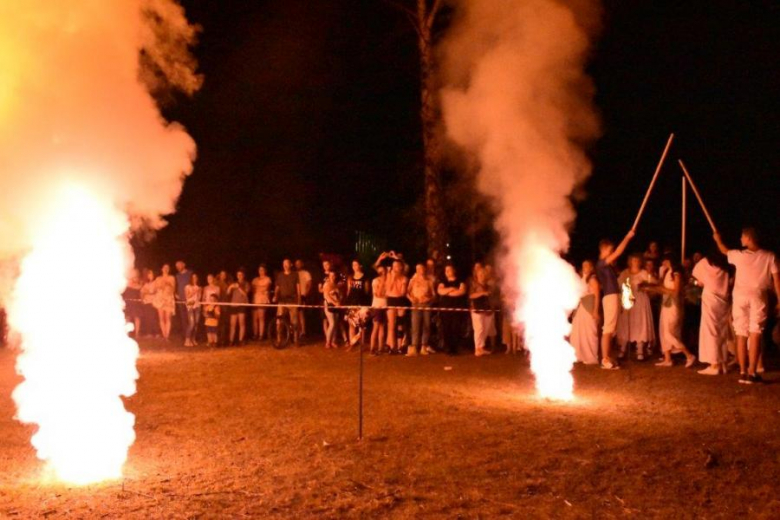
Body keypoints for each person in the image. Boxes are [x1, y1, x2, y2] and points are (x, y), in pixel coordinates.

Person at [714, 227, 780, 384]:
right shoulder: (769, 256)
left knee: (741, 333)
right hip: (758, 296)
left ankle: (743, 371)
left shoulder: (740, 255)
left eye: (742, 237)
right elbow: (777, 280)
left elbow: (724, 251)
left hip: (741, 296)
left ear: (749, 238)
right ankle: (751, 372)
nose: (740, 239)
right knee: (755, 332)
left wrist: (718, 240)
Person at [646, 255, 697, 368]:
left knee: (669, 333)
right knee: (663, 331)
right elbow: (663, 289)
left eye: (664, 260)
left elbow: (676, 291)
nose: (663, 262)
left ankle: (689, 355)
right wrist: (651, 288)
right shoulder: (667, 272)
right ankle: (667, 358)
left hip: (673, 305)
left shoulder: (676, 273)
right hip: (666, 305)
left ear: (669, 260)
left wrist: (658, 289)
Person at [596, 230, 635, 369]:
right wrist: (627, 237)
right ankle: (605, 359)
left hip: (613, 296)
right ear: (605, 249)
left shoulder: (607, 265)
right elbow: (619, 252)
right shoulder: (601, 263)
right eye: (610, 250)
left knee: (611, 329)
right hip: (610, 297)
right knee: (608, 328)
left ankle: (607, 357)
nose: (612, 253)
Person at [691, 250, 731, 375]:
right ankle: (723, 362)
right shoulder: (726, 264)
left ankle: (714, 365)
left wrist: (695, 283)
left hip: (711, 300)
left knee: (711, 330)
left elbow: (698, 279)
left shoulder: (705, 263)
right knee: (722, 330)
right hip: (723, 300)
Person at [616, 253, 656, 360]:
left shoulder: (643, 273)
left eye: (637, 260)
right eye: (633, 260)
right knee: (626, 323)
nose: (635, 262)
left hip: (640, 301)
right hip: (628, 299)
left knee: (640, 323)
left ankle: (640, 350)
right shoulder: (625, 273)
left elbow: (653, 283)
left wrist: (646, 286)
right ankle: (623, 349)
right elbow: (618, 285)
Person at [570, 259, 600, 365]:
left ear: (591, 267)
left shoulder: (592, 279)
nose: (585, 267)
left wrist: (596, 310)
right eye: (583, 265)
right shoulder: (582, 278)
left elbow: (597, 295)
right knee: (577, 331)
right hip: (581, 307)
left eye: (587, 265)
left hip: (589, 307)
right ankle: (578, 355)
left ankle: (590, 356)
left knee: (589, 331)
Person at [379, 253, 408, 354]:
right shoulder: (389, 276)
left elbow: (402, 292)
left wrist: (397, 280)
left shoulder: (404, 278)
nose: (396, 268)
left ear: (401, 267)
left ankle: (400, 346)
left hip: (400, 301)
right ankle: (392, 346)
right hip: (391, 300)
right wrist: (393, 278)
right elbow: (388, 289)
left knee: (400, 324)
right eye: (394, 266)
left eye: (397, 266)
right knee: (391, 324)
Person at [437, 264, 467, 355]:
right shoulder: (443, 282)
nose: (447, 272)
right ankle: (448, 348)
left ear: (454, 270)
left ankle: (455, 348)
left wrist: (448, 292)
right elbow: (440, 291)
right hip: (445, 309)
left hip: (457, 309)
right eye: (446, 270)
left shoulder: (461, 281)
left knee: (456, 328)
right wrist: (452, 288)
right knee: (446, 328)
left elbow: (461, 292)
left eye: (449, 270)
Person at [407, 263, 435, 356]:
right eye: (418, 268)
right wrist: (411, 299)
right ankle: (414, 346)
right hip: (415, 304)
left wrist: (429, 298)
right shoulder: (413, 280)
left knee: (426, 325)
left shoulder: (429, 281)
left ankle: (424, 346)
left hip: (426, 305)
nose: (420, 270)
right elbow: (407, 292)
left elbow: (434, 294)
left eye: (422, 268)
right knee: (415, 325)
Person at [469, 264, 495, 357]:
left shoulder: (488, 286)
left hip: (487, 311)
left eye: (483, 275)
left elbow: (492, 298)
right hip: (477, 310)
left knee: (485, 330)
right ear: (477, 275)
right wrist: (482, 293)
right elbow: (471, 296)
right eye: (480, 275)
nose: (482, 276)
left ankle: (481, 347)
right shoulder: (474, 285)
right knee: (479, 329)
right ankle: (477, 348)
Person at [344, 260, 371, 348]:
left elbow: (367, 291)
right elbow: (348, 291)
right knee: (351, 325)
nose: (354, 266)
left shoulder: (365, 277)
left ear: (360, 265)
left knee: (362, 325)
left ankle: (362, 344)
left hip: (362, 303)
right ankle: (352, 343)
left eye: (356, 264)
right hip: (352, 303)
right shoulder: (350, 277)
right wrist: (347, 303)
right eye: (353, 265)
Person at [274, 259, 301, 345]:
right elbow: (277, 287)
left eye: (286, 263)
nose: (285, 265)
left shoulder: (295, 274)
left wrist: (299, 300)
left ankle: (296, 340)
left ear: (290, 265)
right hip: (282, 301)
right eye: (283, 264)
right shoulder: (280, 275)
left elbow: (298, 288)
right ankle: (279, 340)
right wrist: (275, 296)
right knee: (279, 322)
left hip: (292, 301)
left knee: (295, 322)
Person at [227, 270, 250, 345]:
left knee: (241, 323)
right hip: (233, 305)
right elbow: (228, 293)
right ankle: (231, 340)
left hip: (242, 305)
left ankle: (241, 340)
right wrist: (230, 287)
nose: (239, 276)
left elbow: (245, 294)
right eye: (238, 275)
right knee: (232, 324)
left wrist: (239, 287)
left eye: (241, 274)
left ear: (243, 275)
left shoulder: (246, 283)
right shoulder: (234, 283)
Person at [154, 264, 176, 341]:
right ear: (162, 269)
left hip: (168, 299)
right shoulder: (158, 278)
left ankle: (167, 336)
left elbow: (173, 289)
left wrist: (168, 284)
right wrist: (161, 286)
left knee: (168, 318)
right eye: (164, 268)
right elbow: (156, 288)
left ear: (169, 269)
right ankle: (164, 335)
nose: (166, 269)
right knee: (161, 318)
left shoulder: (171, 278)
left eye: (167, 268)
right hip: (160, 299)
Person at [370, 265, 388, 355]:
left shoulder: (388, 280)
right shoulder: (375, 281)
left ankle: (381, 348)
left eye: (384, 271)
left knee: (382, 327)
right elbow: (377, 294)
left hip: (385, 306)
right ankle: (372, 348)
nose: (383, 273)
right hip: (377, 306)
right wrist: (382, 284)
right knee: (376, 327)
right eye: (381, 272)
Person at [251, 265, 272, 341]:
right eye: (259, 270)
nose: (261, 271)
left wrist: (259, 288)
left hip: (262, 299)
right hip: (255, 299)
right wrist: (261, 288)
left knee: (261, 317)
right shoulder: (255, 279)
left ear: (265, 271)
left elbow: (266, 288)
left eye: (262, 270)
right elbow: (253, 290)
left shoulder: (267, 279)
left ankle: (261, 335)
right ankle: (255, 334)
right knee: (255, 318)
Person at [322, 271, 341, 349]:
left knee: (335, 324)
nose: (333, 276)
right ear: (329, 276)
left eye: (334, 275)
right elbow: (326, 296)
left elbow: (338, 295)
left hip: (336, 306)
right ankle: (328, 342)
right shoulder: (327, 284)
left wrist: (338, 301)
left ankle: (333, 341)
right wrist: (335, 303)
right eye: (331, 275)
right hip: (329, 305)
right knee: (332, 323)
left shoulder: (335, 285)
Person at [123, 269, 143, 339]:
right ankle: (127, 333)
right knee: (127, 317)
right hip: (128, 302)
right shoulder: (126, 281)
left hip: (136, 302)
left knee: (137, 317)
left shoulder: (138, 281)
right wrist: (130, 282)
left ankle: (137, 333)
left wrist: (132, 283)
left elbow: (139, 287)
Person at [174, 260, 192, 339]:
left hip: (189, 299)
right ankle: (185, 335)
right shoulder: (177, 275)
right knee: (183, 318)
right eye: (176, 266)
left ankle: (192, 335)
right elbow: (176, 286)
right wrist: (175, 293)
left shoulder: (190, 273)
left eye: (179, 265)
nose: (178, 267)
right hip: (181, 299)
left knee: (191, 318)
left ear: (184, 265)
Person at [140, 269, 160, 338]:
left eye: (151, 274)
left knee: (153, 318)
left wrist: (147, 292)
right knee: (147, 318)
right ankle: (149, 333)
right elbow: (142, 292)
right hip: (146, 302)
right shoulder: (146, 284)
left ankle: (157, 333)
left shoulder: (156, 282)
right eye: (148, 274)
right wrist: (142, 298)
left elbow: (155, 292)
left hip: (153, 302)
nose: (149, 275)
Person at [184, 273, 202, 347]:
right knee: (192, 323)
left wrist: (199, 292)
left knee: (196, 324)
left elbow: (199, 297)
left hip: (197, 305)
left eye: (196, 277)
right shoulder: (187, 286)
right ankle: (187, 340)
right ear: (191, 278)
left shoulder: (199, 287)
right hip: (190, 305)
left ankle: (193, 339)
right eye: (193, 277)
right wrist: (194, 292)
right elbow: (187, 296)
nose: (195, 278)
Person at [295, 260, 312, 337]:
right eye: (296, 264)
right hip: (294, 295)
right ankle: (297, 330)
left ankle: (303, 331)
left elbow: (309, 284)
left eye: (299, 263)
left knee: (301, 314)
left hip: (302, 295)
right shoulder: (294, 273)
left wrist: (305, 295)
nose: (297, 265)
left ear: (302, 264)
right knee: (295, 314)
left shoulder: (306, 273)